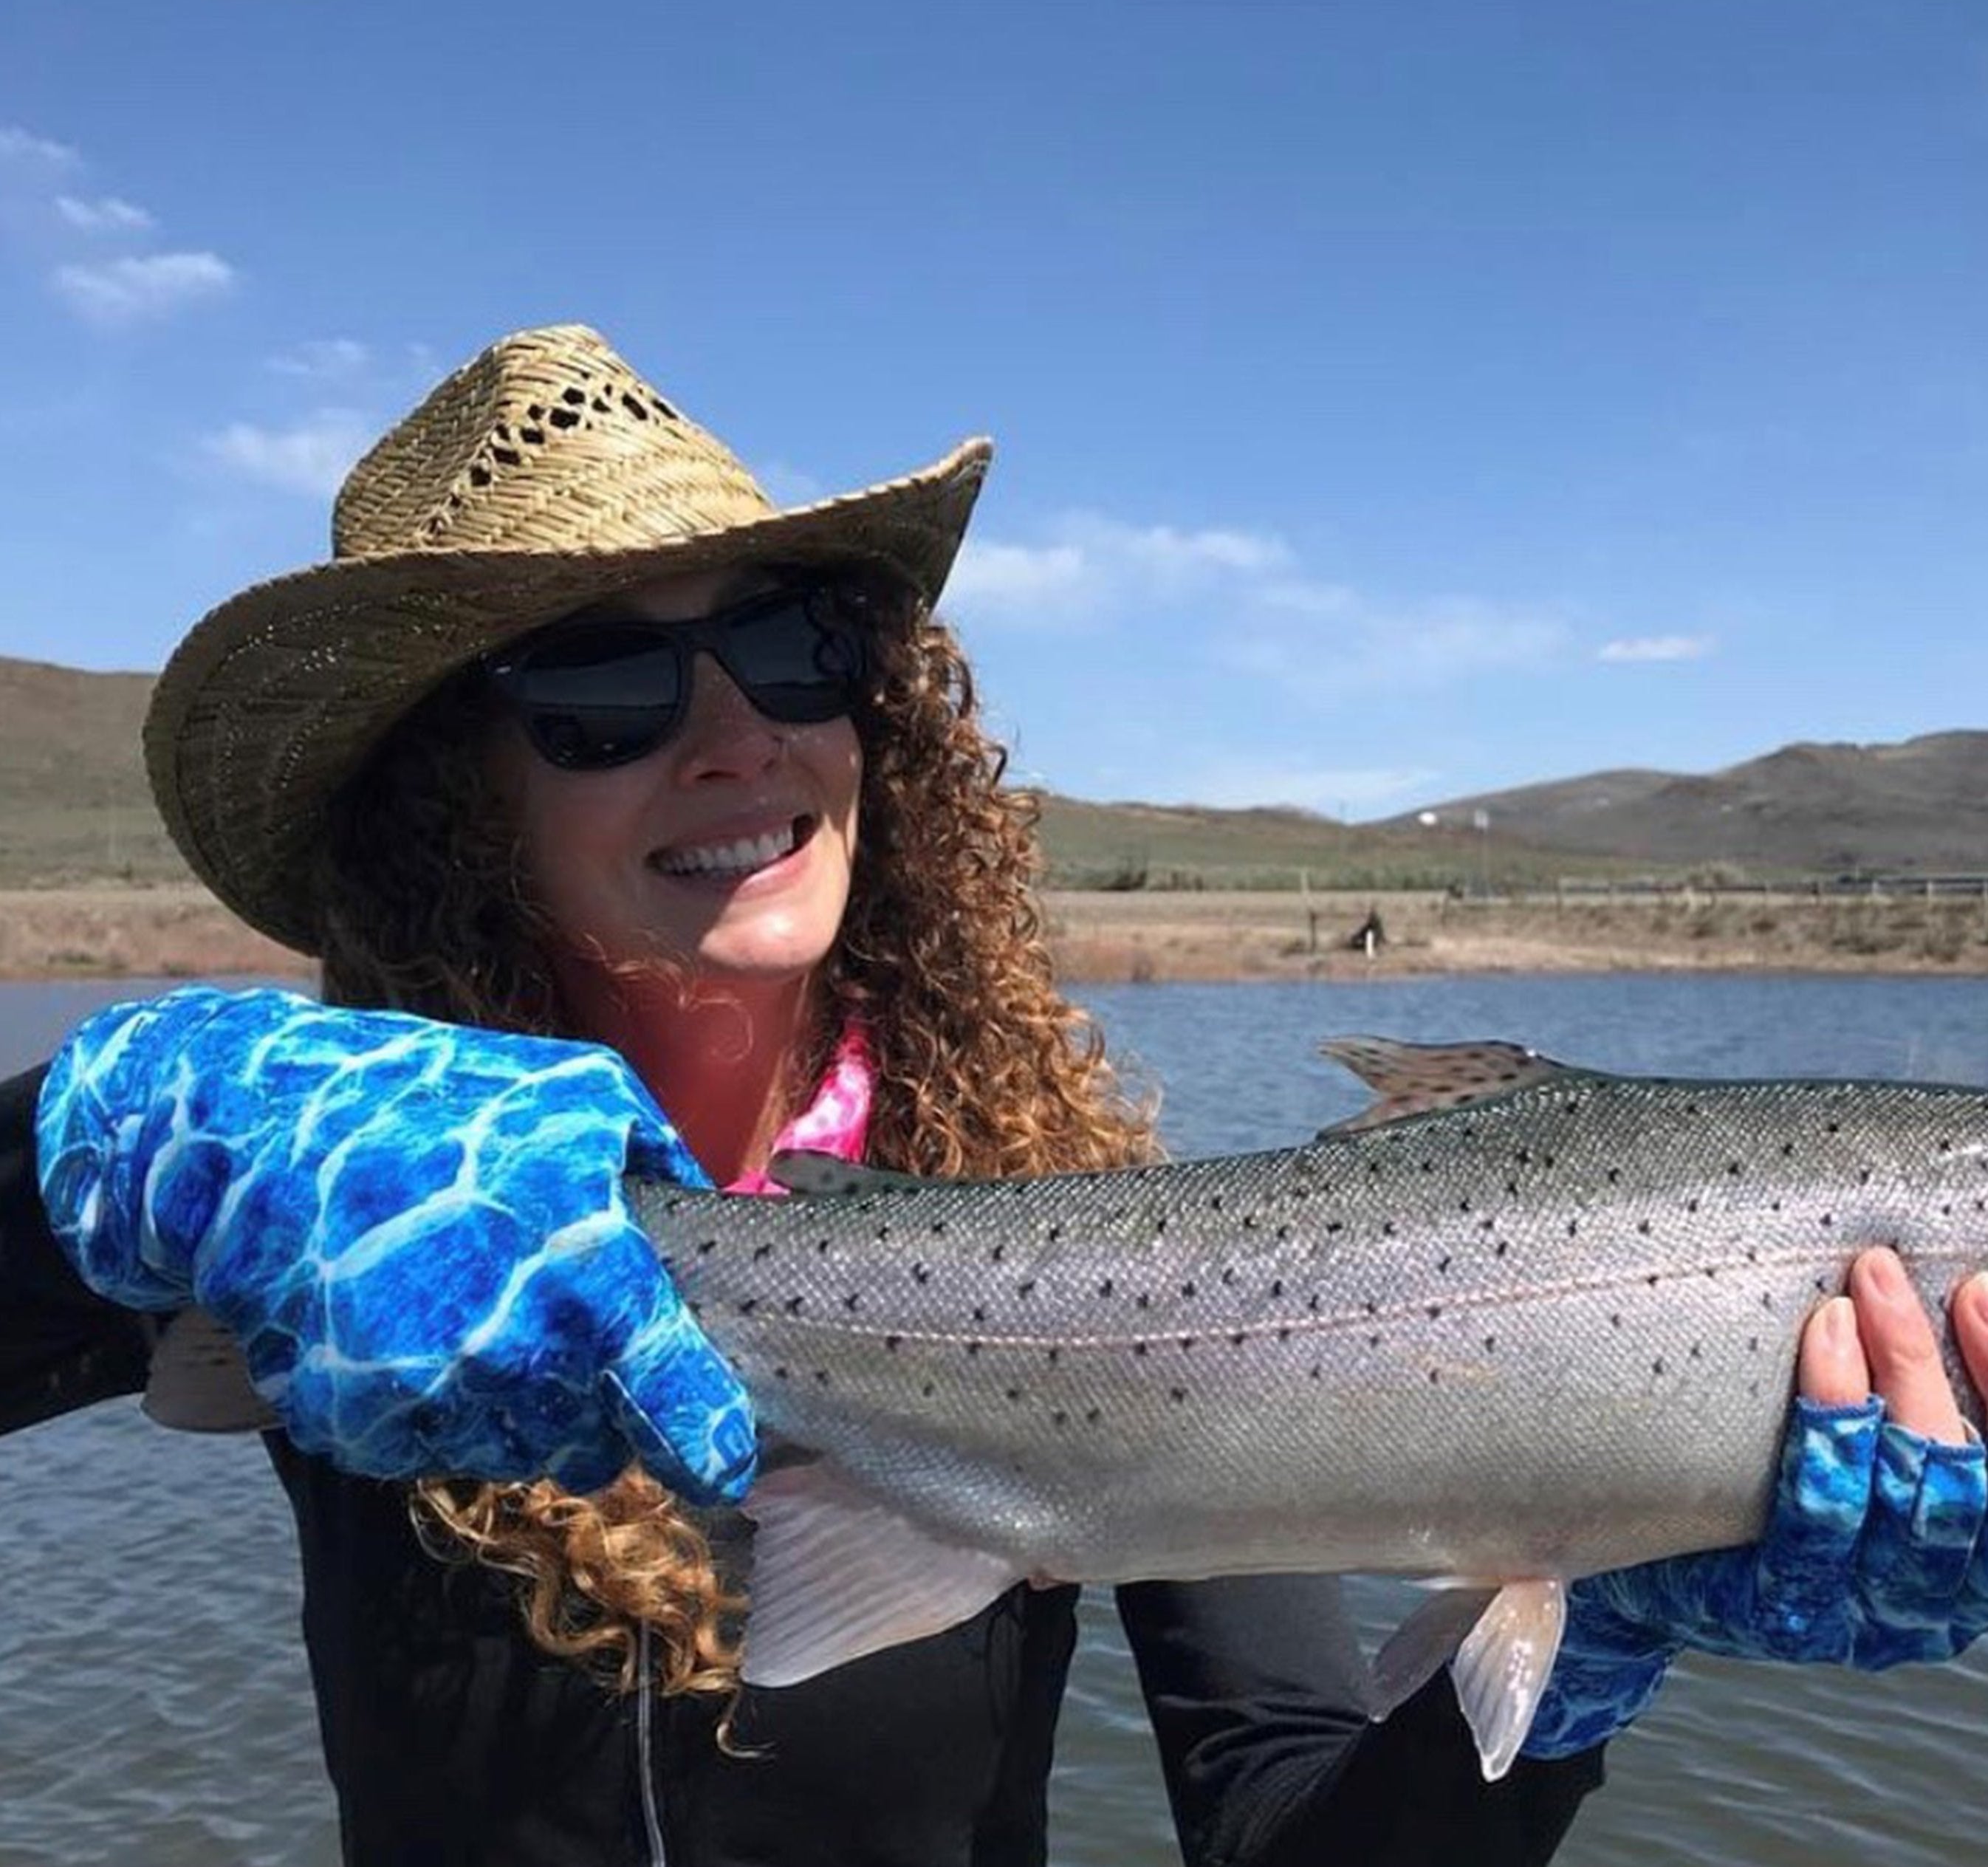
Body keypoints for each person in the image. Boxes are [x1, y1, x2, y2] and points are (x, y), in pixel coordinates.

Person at [6, 321, 1988, 1867]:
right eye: (597, 686)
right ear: (449, 794)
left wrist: (1592, 1641)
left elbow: (1287, 1814)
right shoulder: (342, 1202)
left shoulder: (1106, 1229)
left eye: (793, 648)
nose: (730, 736)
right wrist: (88, 1143)